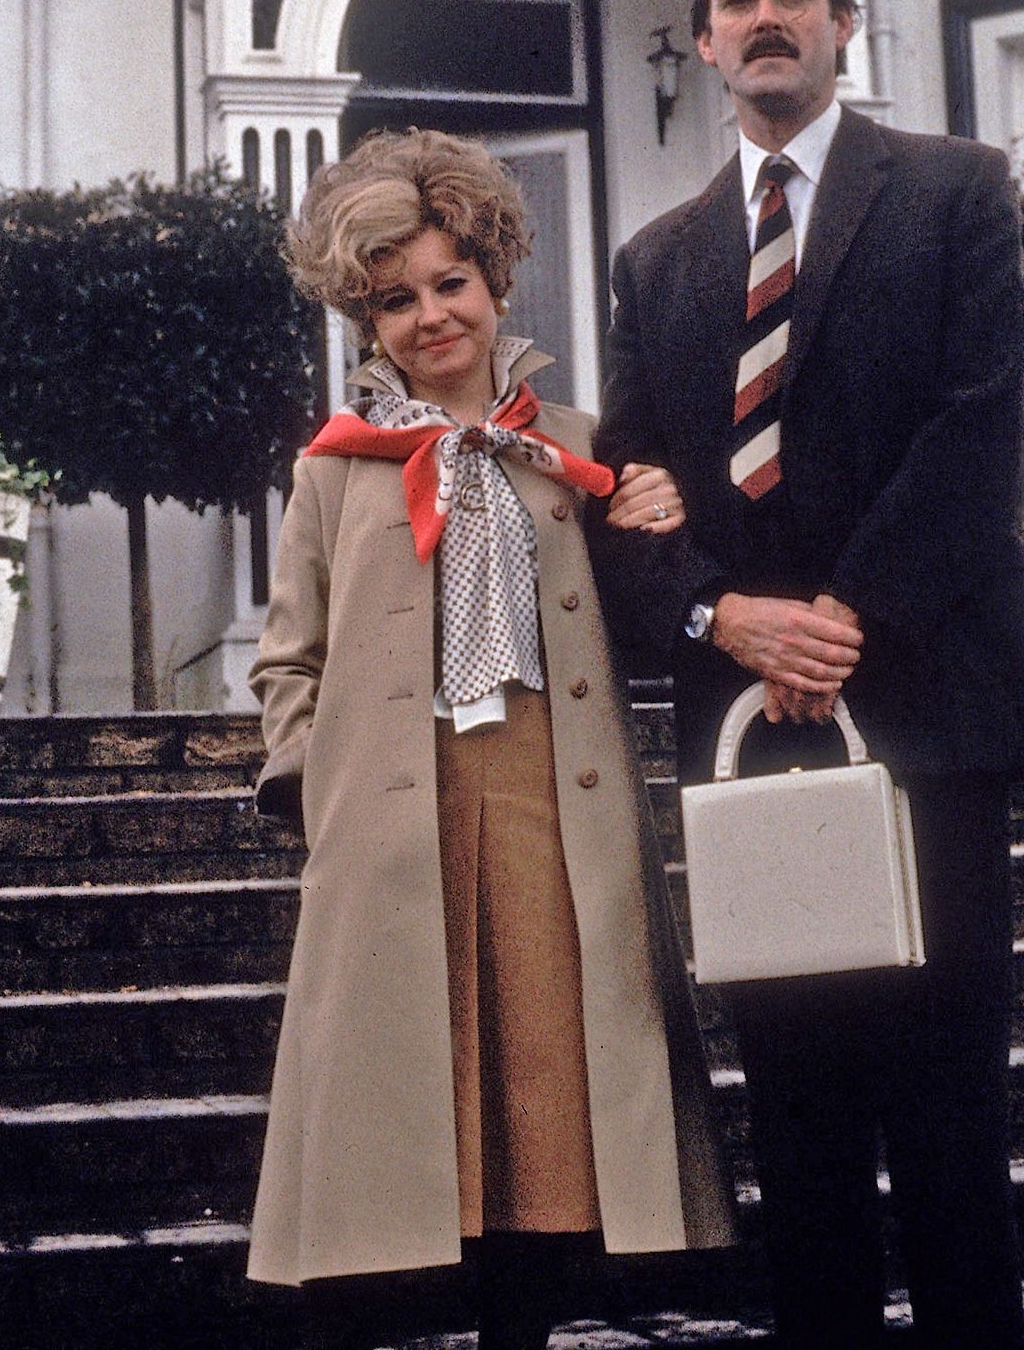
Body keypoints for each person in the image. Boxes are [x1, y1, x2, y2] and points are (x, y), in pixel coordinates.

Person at [587, 0, 1024, 1350]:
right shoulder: (654, 261)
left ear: (842, 20)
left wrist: (835, 619)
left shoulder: (951, 190)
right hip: (754, 753)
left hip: (927, 718)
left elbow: (978, 437)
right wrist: (724, 617)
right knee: (797, 1141)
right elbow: (632, 493)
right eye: (735, 0)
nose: (763, 19)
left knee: (942, 1130)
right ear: (700, 35)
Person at [246, 128, 734, 1348]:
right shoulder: (332, 470)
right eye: (395, 300)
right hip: (390, 828)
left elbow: (651, 600)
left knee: (546, 1108)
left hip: (553, 810)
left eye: (448, 283)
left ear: (497, 279)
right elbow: (286, 657)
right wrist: (318, 787)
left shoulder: (582, 445)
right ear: (367, 323)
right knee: (408, 1120)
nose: (430, 316)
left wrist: (657, 515)